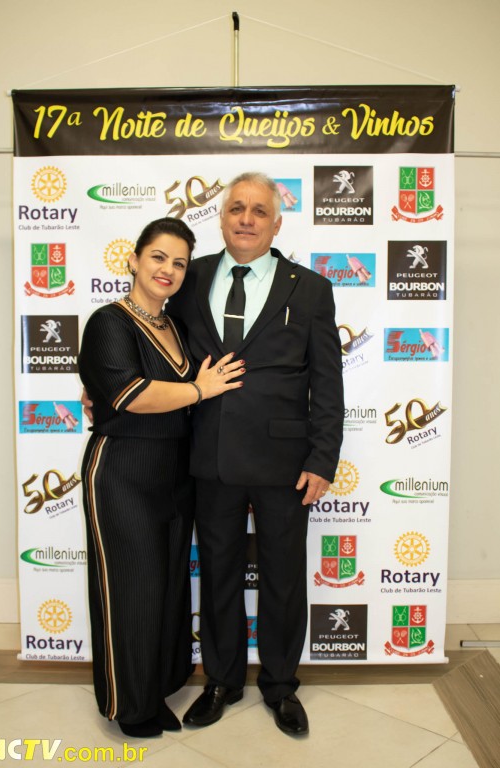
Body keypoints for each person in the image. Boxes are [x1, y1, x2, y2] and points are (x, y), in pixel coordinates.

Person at [166, 171, 344, 736]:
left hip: (285, 463)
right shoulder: (189, 278)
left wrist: (322, 459)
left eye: (259, 210)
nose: (246, 218)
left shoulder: (310, 289)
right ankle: (220, 681)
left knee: (284, 578)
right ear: (221, 219)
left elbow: (328, 382)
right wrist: (106, 385)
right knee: (218, 571)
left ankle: (281, 684)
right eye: (236, 208)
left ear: (276, 224)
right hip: (209, 454)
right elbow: (155, 345)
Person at [78, 217, 244, 738]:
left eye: (178, 262)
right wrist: (200, 390)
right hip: (123, 471)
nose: (167, 269)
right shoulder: (109, 322)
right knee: (130, 589)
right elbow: (131, 394)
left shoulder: (176, 327)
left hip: (176, 471)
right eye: (157, 257)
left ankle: (156, 689)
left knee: (167, 588)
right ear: (133, 259)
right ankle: (129, 706)